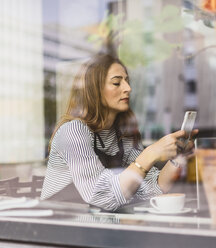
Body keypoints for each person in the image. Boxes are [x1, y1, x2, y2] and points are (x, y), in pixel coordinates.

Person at [41, 54, 197, 211]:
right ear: (94, 89)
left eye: (127, 81)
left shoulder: (122, 134)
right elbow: (101, 196)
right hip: (60, 225)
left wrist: (178, 157)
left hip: (95, 223)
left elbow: (153, 188)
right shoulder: (73, 131)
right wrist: (150, 154)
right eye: (116, 83)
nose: (128, 88)